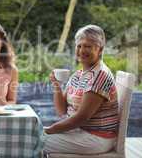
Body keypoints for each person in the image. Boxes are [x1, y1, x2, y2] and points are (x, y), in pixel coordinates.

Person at [43, 25, 118, 154]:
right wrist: (56, 84)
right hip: (78, 131)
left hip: (96, 137)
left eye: (88, 46)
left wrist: (49, 130)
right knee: (32, 138)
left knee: (34, 141)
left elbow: (81, 118)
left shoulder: (100, 75)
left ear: (100, 49)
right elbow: (62, 110)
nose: (82, 50)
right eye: (79, 46)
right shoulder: (78, 75)